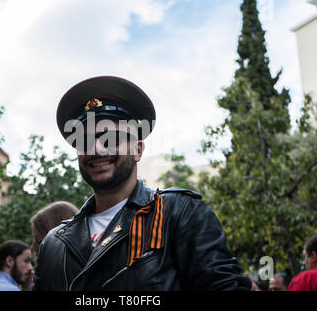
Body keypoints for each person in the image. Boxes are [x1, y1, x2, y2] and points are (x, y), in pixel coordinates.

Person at [33, 75, 251, 291]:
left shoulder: (180, 214)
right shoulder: (52, 245)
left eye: (111, 138)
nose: (97, 149)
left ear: (138, 150)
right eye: (85, 141)